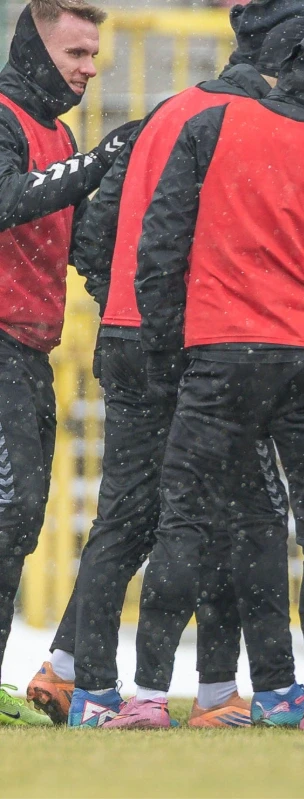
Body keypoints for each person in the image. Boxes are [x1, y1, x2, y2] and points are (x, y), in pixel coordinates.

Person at [25, 0, 304, 729]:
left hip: (133, 338)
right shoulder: (250, 125)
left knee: (129, 519)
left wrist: (119, 302)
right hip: (200, 344)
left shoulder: (166, 113)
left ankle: (89, 689)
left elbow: (96, 234)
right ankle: (226, 694)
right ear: (285, 63)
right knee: (238, 513)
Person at [100, 24, 304, 730]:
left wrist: (171, 346)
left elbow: (160, 244)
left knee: (184, 521)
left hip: (219, 356)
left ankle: (147, 696)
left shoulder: (212, 128)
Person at [0, 0, 136, 727]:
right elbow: (3, 200)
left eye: (92, 57)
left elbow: (81, 243)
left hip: (28, 350)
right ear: (33, 48)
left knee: (18, 521)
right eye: (75, 54)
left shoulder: (56, 133)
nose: (88, 70)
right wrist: (100, 160)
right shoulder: (3, 117)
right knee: (8, 511)